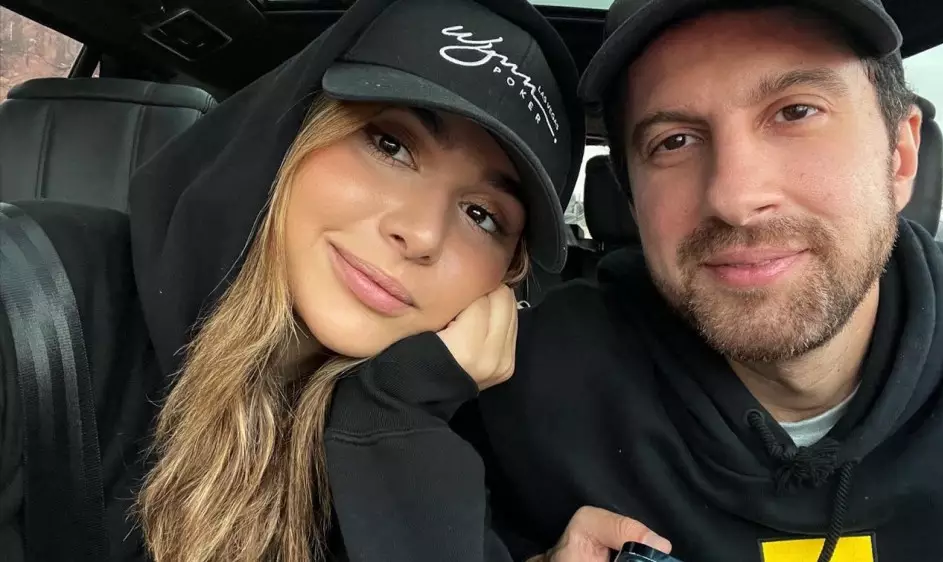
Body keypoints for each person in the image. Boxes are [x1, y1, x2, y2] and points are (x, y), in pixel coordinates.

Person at [0, 0, 619, 560]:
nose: (421, 233)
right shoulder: (33, 301)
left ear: (504, 282)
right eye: (391, 145)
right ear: (294, 128)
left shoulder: (462, 434)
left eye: (482, 215)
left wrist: (400, 420)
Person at [473, 1, 943, 561]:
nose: (734, 199)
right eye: (674, 141)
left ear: (900, 155)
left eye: (796, 111)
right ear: (633, 203)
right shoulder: (522, 387)